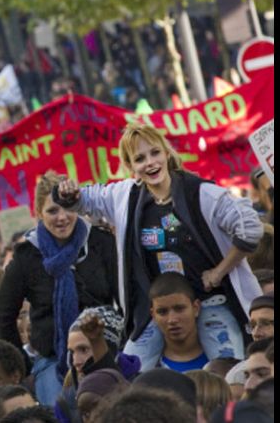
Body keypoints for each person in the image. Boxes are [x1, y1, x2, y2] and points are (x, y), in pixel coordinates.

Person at [58, 123, 263, 371]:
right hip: (156, 311)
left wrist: (219, 272)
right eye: (140, 158)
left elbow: (250, 229)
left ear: (167, 153)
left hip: (211, 300)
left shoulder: (200, 193)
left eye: (155, 153)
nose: (150, 163)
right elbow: (86, 202)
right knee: (131, 376)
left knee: (232, 372)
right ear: (131, 166)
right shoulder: (125, 197)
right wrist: (68, 195)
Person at [0, 171, 117, 406]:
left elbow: (124, 296)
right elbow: (3, 315)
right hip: (52, 360)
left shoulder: (100, 242)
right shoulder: (27, 256)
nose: (62, 217)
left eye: (67, 208)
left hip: (104, 352)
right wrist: (23, 364)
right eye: (52, 211)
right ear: (38, 213)